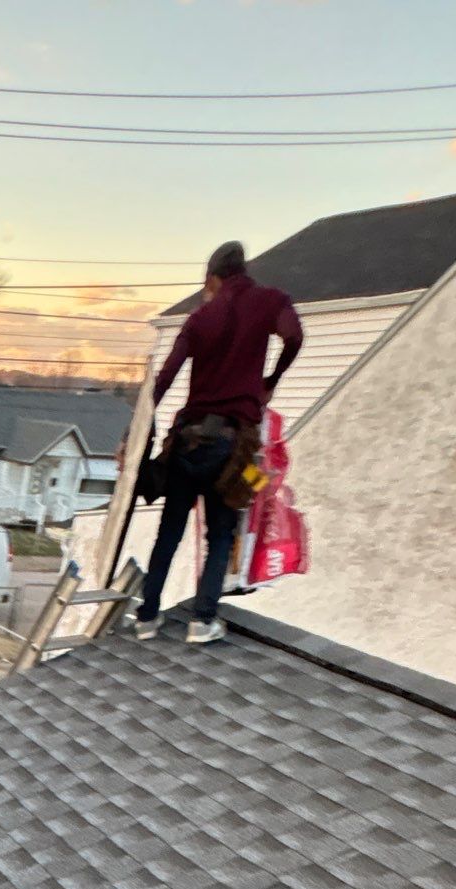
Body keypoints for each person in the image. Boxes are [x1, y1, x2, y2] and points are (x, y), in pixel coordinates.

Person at [134, 241, 303, 644]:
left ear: (213, 277)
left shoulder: (200, 317)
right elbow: (294, 336)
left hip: (188, 439)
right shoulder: (269, 302)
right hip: (232, 444)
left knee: (169, 531)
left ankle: (146, 618)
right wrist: (269, 382)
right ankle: (202, 621)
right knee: (221, 534)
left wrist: (137, 429)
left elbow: (166, 375)